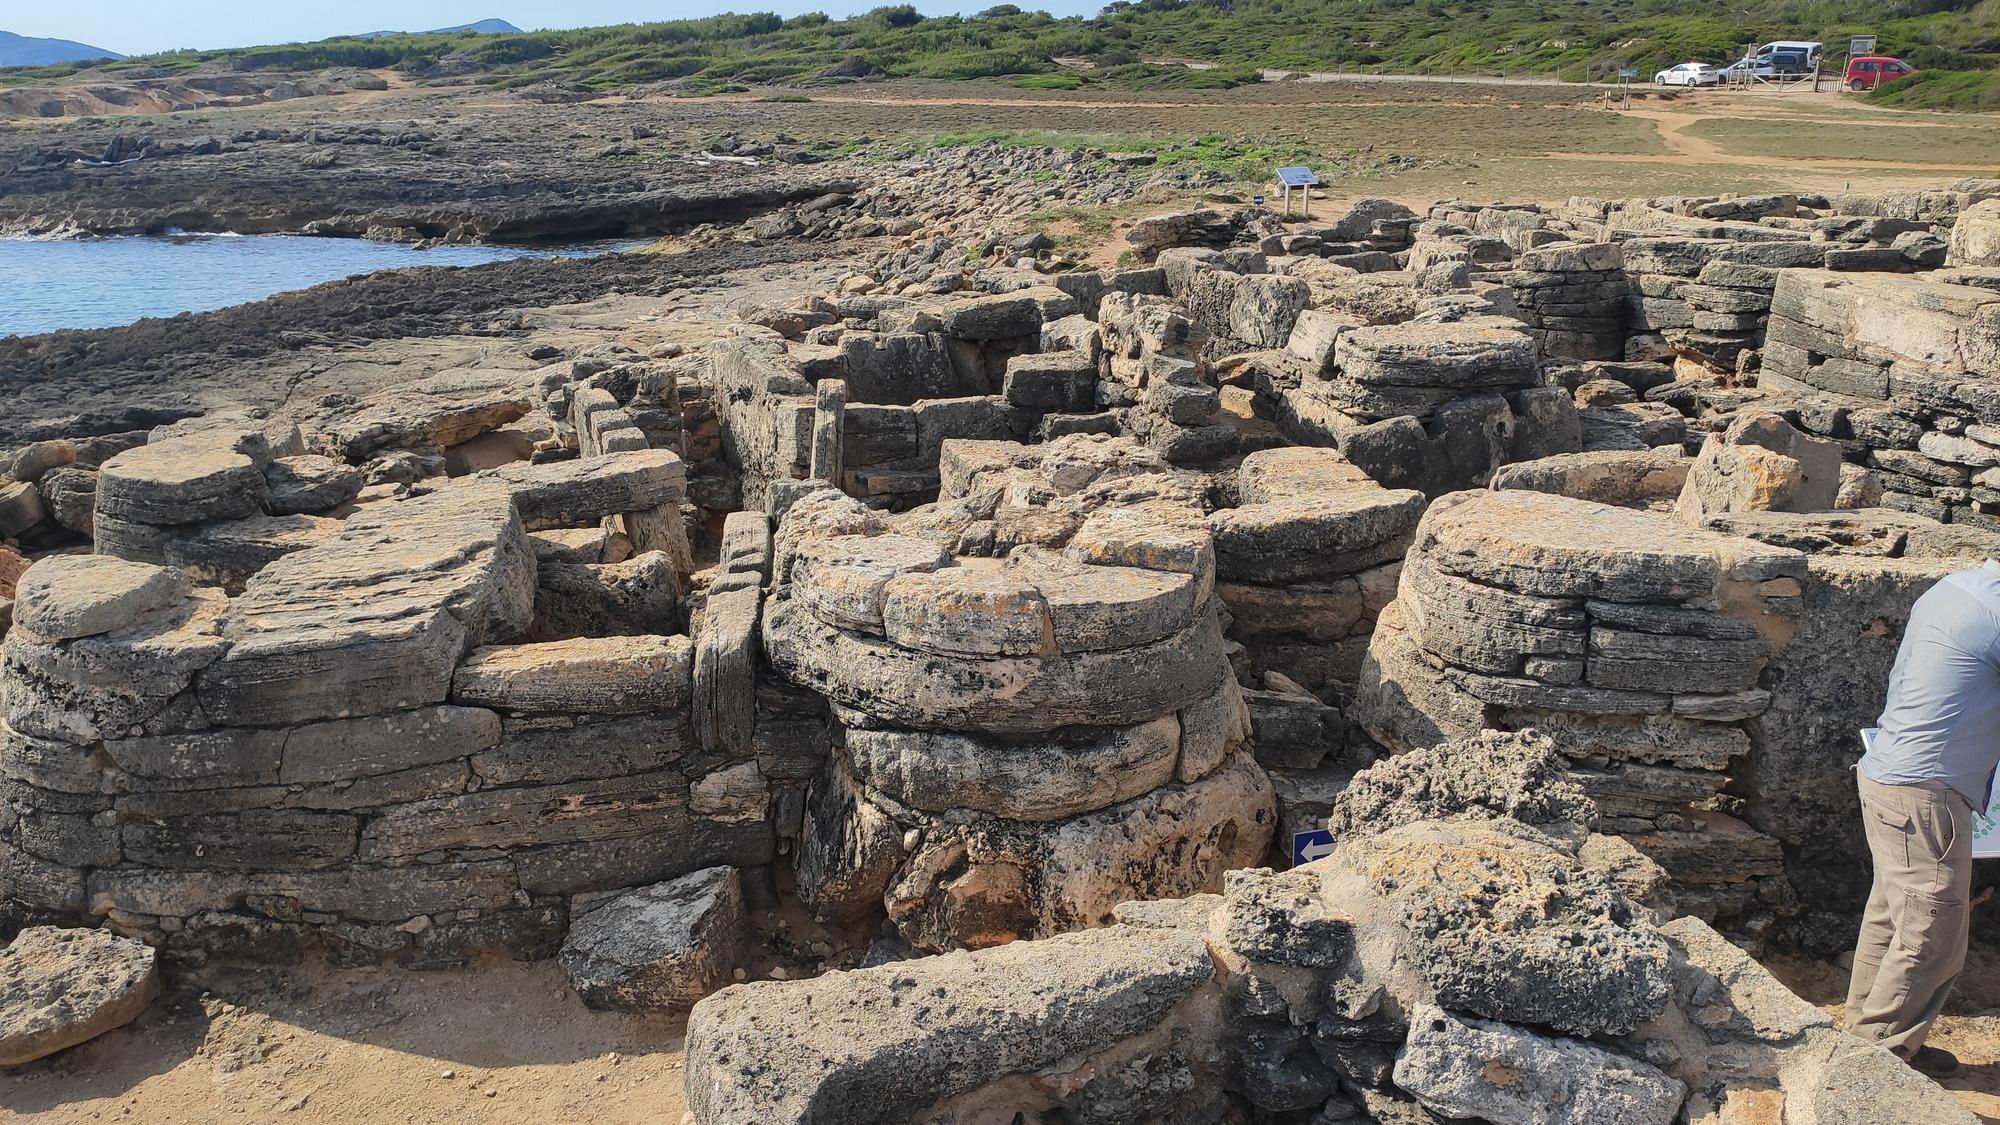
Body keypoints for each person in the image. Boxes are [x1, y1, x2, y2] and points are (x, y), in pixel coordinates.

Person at [1848, 559, 2000, 1079]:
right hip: (1925, 795)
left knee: (1894, 918)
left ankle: (1872, 1041)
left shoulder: (1959, 586)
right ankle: (1872, 1070)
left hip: (1889, 777)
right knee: (1931, 931)